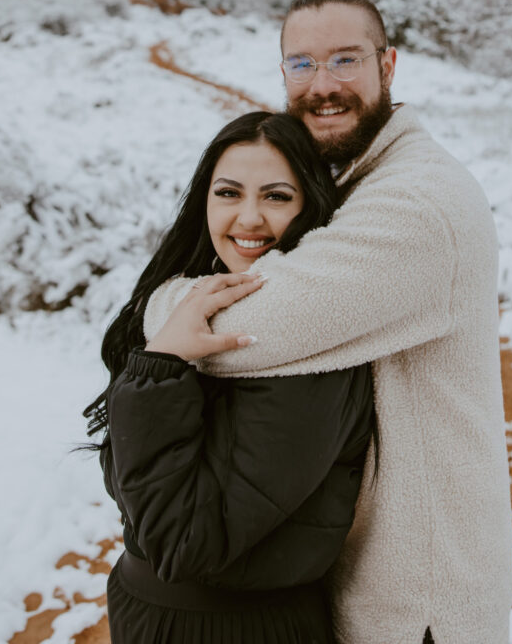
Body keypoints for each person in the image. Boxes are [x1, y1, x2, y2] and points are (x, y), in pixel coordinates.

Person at [151, 0, 512, 644]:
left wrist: (162, 306)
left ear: (388, 64)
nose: (322, 85)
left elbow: (256, 328)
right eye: (301, 64)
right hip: (370, 581)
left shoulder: (417, 202)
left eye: (345, 60)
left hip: (417, 603)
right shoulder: (358, 176)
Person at [84, 111, 374, 644]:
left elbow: (184, 542)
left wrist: (160, 366)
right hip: (156, 615)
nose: (249, 219)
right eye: (228, 193)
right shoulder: (197, 306)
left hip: (239, 628)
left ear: (312, 206)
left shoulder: (306, 345)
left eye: (277, 196)